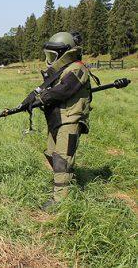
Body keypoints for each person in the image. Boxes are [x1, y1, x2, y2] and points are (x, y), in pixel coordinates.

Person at [21, 32, 98, 211]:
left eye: (52, 56)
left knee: (62, 159)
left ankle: (60, 202)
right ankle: (65, 180)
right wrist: (30, 99)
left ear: (65, 54)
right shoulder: (59, 71)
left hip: (70, 119)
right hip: (56, 118)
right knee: (51, 154)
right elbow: (44, 87)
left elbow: (63, 90)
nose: (49, 60)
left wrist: (42, 98)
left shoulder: (77, 69)